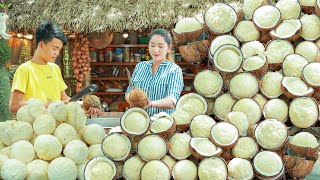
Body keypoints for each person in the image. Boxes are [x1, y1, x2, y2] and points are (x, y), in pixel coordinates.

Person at [9, 21, 98, 115]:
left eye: (59, 50)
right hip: (34, 127)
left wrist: (84, 106)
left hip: (56, 127)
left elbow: (66, 100)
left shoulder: (55, 69)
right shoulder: (24, 70)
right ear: (41, 45)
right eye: (54, 48)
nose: (57, 53)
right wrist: (46, 105)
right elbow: (14, 105)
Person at [125, 28, 184, 115]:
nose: (156, 50)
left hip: (162, 123)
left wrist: (150, 104)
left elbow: (172, 101)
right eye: (152, 45)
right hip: (140, 121)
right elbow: (128, 92)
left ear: (169, 48)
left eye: (160, 46)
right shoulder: (140, 67)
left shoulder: (174, 70)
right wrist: (132, 99)